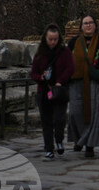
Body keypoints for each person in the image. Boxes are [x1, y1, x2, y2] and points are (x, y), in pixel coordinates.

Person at [68, 16, 99, 158]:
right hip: (77, 83)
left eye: (91, 23)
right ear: (81, 26)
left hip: (96, 83)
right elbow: (65, 62)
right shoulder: (74, 42)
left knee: (95, 115)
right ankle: (79, 139)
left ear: (95, 25)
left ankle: (89, 145)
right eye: (85, 23)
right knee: (75, 112)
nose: (88, 25)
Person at [30, 24, 74, 161]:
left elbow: (70, 68)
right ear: (45, 38)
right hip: (44, 91)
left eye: (55, 39)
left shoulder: (64, 51)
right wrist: (40, 77)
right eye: (50, 39)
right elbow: (33, 73)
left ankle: (59, 139)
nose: (53, 42)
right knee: (46, 121)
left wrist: (60, 81)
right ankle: (49, 148)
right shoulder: (40, 53)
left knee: (59, 119)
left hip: (59, 90)